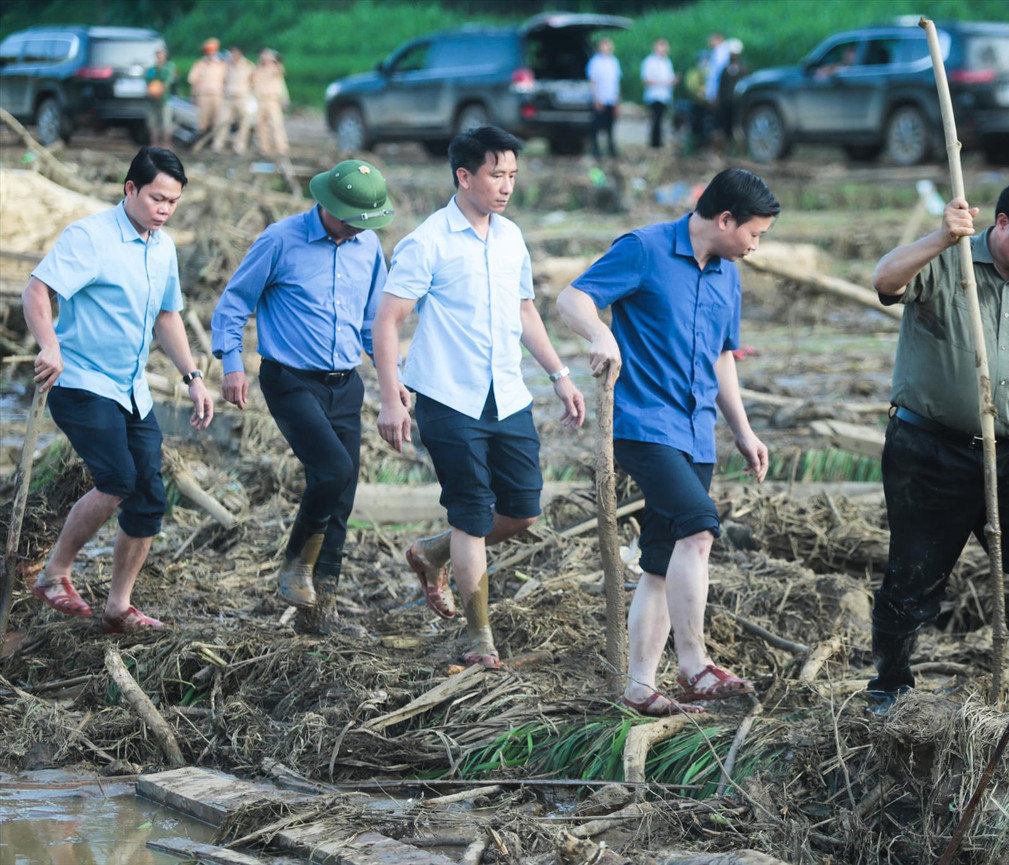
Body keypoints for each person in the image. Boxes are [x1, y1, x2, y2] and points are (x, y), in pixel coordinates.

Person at [866, 174, 1009, 719]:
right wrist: (938, 239)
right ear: (1001, 225)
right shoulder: (949, 263)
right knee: (914, 575)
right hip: (929, 448)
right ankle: (890, 686)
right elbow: (884, 281)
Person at [556, 168, 778, 717]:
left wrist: (742, 430)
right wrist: (602, 334)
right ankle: (695, 665)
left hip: (696, 431)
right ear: (725, 219)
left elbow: (724, 357)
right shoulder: (645, 249)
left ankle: (637, 683)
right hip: (642, 423)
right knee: (699, 528)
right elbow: (571, 298)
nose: (756, 244)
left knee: (661, 560)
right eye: (754, 233)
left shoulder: (727, 274)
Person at [375, 126, 584, 668]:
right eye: (497, 174)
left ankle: (432, 552)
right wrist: (392, 396)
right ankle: (478, 639)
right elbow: (388, 319)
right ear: (465, 176)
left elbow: (524, 311)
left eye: (512, 174)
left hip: (508, 395)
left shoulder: (511, 237)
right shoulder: (427, 241)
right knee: (471, 515)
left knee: (523, 510)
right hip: (448, 397)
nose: (506, 185)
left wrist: (559, 374)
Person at [22, 147, 213, 634]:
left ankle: (118, 606)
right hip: (80, 380)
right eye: (157, 198)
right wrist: (49, 346)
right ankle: (54, 575)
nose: (165, 209)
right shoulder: (91, 237)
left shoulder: (163, 246)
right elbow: (38, 290)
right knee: (117, 480)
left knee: (149, 499)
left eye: (173, 201)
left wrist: (193, 378)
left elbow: (166, 316)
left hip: (132, 390)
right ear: (130, 189)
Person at [211, 159, 395, 634]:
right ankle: (294, 564)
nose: (359, 228)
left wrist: (395, 386)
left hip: (345, 383)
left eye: (366, 221)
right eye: (353, 218)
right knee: (331, 470)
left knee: (344, 490)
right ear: (329, 205)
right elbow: (234, 303)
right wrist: (232, 364)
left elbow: (376, 322)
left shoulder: (369, 246)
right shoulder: (280, 239)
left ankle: (320, 609)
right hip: (290, 378)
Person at [211, 46, 255, 155]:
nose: (232, 57)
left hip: (242, 98)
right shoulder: (227, 66)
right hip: (229, 98)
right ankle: (218, 144)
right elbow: (223, 80)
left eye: (234, 54)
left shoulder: (248, 66)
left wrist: (250, 95)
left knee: (243, 123)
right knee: (223, 120)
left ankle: (239, 145)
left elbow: (253, 81)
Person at [251, 48, 290, 157]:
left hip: (272, 100)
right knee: (261, 125)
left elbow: (281, 77)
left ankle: (282, 147)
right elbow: (251, 82)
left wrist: (285, 98)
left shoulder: (275, 68)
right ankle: (264, 147)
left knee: (276, 124)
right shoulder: (256, 69)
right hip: (260, 100)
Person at [587, 37, 621, 158]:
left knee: (611, 125)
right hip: (600, 98)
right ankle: (596, 150)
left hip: (611, 98)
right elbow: (593, 82)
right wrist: (596, 99)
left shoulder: (614, 62)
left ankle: (611, 149)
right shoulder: (595, 62)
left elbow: (616, 82)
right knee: (596, 126)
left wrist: (617, 101)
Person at [641, 38, 676, 149]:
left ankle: (659, 142)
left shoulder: (667, 61)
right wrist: (664, 82)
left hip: (664, 95)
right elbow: (646, 80)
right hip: (654, 95)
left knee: (662, 120)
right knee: (655, 119)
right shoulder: (649, 62)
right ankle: (654, 144)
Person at [187, 38, 226, 138]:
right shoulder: (200, 64)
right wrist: (193, 97)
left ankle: (215, 142)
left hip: (217, 95)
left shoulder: (221, 64)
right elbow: (194, 82)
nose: (210, 53)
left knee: (217, 121)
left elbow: (226, 81)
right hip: (203, 96)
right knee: (203, 122)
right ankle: (200, 141)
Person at [714, 39, 745, 154]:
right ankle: (725, 151)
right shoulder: (724, 69)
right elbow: (720, 86)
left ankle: (740, 152)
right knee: (724, 128)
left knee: (737, 127)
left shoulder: (744, 68)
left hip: (738, 103)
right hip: (725, 103)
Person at [143, 48, 176, 149]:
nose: (159, 56)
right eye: (158, 54)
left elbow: (168, 80)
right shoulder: (152, 68)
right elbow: (148, 79)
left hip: (164, 99)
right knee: (153, 122)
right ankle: (154, 143)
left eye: (161, 54)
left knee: (166, 122)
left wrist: (160, 89)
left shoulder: (169, 66)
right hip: (152, 100)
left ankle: (167, 143)